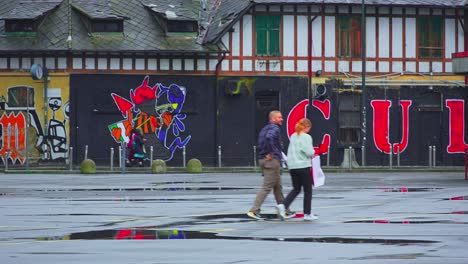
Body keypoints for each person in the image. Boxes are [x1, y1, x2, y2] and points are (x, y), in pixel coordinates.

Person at [247, 110, 291, 220]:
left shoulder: (264, 128)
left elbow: (263, 140)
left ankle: (285, 210)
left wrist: (266, 152)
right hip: (272, 161)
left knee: (277, 187)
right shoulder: (274, 128)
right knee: (267, 187)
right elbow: (269, 138)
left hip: (264, 160)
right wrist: (271, 152)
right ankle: (254, 210)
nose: (282, 119)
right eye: (279, 117)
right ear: (273, 119)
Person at [281, 118, 318, 221]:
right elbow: (309, 152)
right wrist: (314, 152)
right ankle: (307, 214)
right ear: (307, 127)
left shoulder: (293, 136)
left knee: (296, 189)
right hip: (303, 166)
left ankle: (283, 205)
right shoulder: (306, 137)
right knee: (308, 190)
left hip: (292, 167)